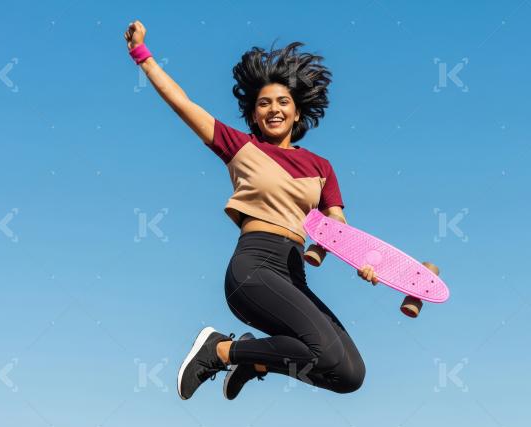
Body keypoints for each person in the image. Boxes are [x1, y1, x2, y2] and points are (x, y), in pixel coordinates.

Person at [124, 20, 379, 400]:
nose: (273, 109)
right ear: (254, 114)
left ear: (297, 112)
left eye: (282, 102)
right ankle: (220, 349)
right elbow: (183, 104)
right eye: (264, 103)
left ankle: (254, 360)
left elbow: (336, 226)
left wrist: (364, 259)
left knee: (348, 373)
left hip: (293, 274)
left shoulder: (322, 167)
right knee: (322, 352)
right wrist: (142, 56)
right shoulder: (241, 148)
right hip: (253, 268)